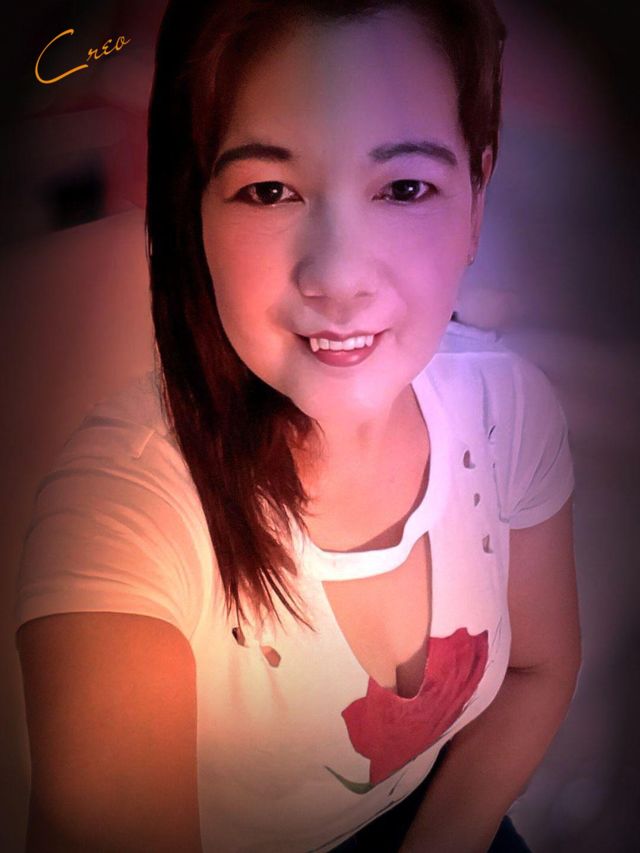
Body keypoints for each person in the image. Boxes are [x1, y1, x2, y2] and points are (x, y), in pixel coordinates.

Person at [14, 1, 582, 851]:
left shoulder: (505, 407)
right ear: (193, 213)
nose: (339, 276)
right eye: (269, 190)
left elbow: (540, 667)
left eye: (404, 187)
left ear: (475, 200)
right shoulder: (126, 513)